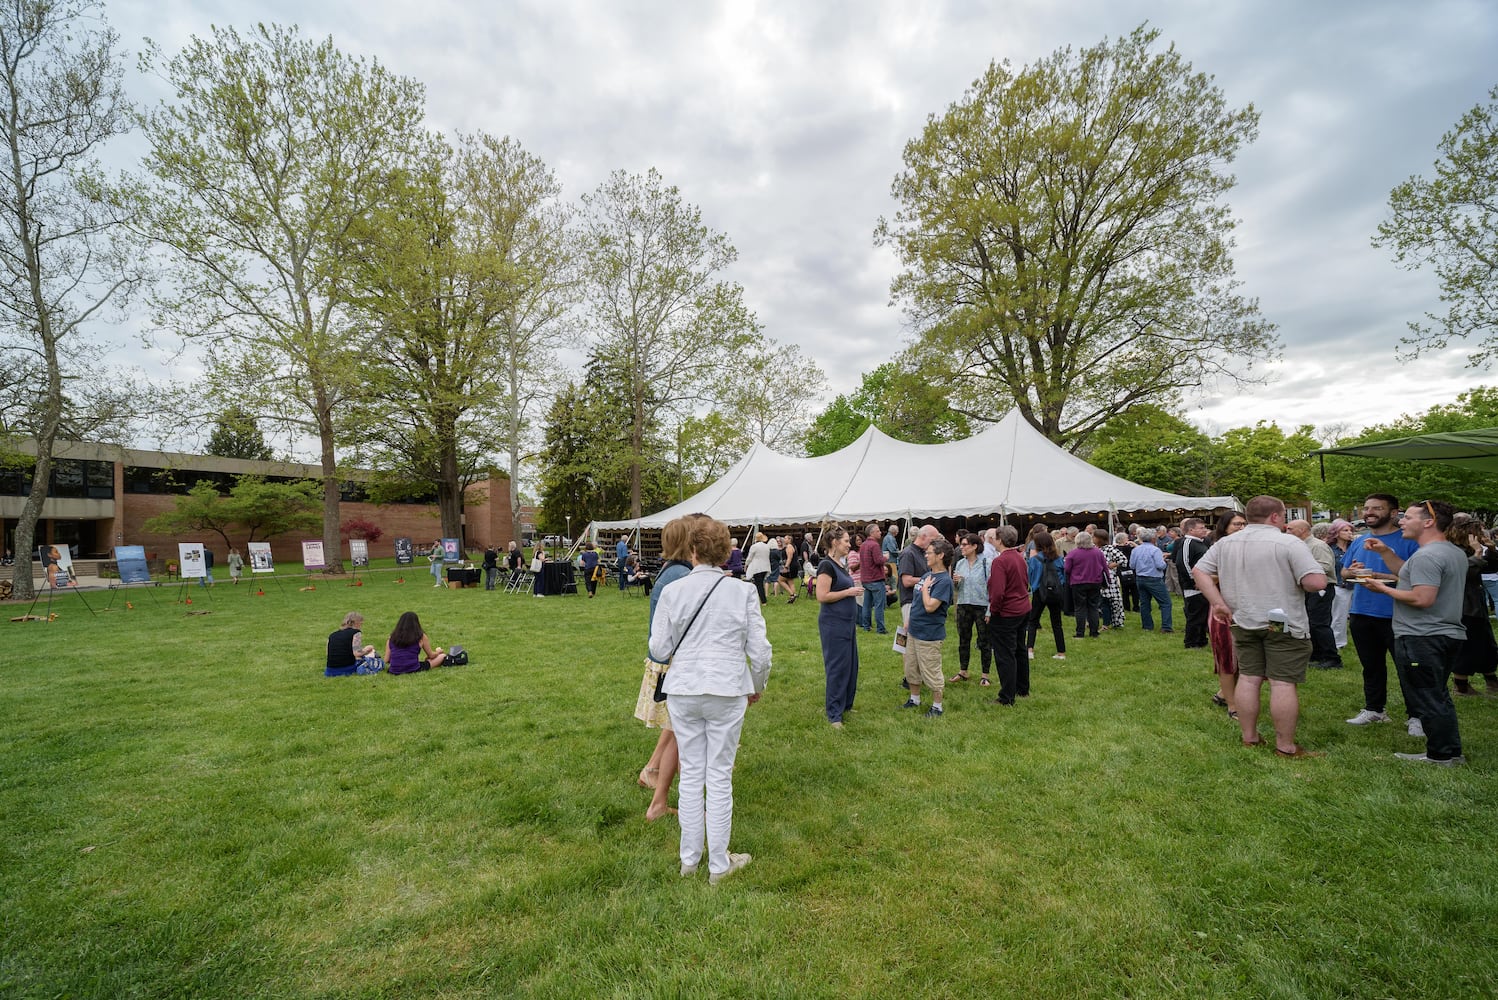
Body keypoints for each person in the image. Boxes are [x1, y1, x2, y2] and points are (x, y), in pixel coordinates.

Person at [650, 516, 771, 884]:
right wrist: (756, 684)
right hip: (726, 688)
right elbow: (761, 652)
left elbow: (658, 648)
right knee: (717, 775)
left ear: (692, 551)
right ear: (726, 552)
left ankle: (691, 861)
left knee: (693, 776)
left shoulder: (675, 591)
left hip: (685, 689)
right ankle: (717, 864)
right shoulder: (743, 592)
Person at [1192, 495, 1327, 757]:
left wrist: (1217, 602)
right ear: (1275, 516)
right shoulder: (1288, 542)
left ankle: (1250, 737)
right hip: (1280, 620)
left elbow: (1199, 572)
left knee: (1250, 679)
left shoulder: (1227, 543)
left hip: (1242, 618)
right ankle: (1286, 747)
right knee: (1282, 682)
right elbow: (1316, 583)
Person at [1364, 500, 1468, 765]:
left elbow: (1422, 598)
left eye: (1408, 517)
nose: (1401, 522)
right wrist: (1386, 552)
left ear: (1428, 522)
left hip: (1423, 637)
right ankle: (1449, 752)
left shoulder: (1428, 555)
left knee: (1428, 697)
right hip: (1444, 634)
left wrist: (1383, 589)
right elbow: (1409, 574)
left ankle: (1441, 756)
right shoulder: (1449, 551)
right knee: (1437, 694)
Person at [636, 515, 699, 821]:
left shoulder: (673, 571)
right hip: (673, 665)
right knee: (680, 731)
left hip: (668, 663)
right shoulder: (679, 576)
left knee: (675, 729)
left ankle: (652, 771)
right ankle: (659, 802)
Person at [1343, 494, 1422, 733]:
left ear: (1393, 513)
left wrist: (1380, 578)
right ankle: (1375, 709)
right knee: (1371, 666)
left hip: (1397, 614)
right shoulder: (1359, 541)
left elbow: (1417, 578)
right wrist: (1353, 571)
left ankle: (1416, 716)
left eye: (1377, 508)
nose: (1369, 512)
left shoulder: (1409, 541)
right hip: (1361, 611)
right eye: (1366, 508)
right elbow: (1345, 573)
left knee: (1407, 667)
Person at [1444, 518, 1498, 697]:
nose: (1482, 535)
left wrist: (1490, 549)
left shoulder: (1468, 549)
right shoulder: (1452, 550)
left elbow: (1490, 568)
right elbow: (1464, 571)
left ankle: (1491, 681)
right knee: (1467, 646)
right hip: (1463, 605)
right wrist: (1477, 553)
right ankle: (1461, 685)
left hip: (1476, 603)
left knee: (1487, 644)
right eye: (1478, 531)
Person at [901, 536, 954, 717]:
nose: (926, 556)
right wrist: (909, 620)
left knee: (931, 670)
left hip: (929, 634)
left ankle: (937, 707)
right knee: (911, 668)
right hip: (914, 630)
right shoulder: (927, 575)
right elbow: (917, 602)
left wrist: (924, 590)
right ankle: (914, 699)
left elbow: (931, 606)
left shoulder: (944, 581)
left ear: (940, 556)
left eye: (929, 553)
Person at [815, 526, 861, 727]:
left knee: (851, 665)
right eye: (846, 541)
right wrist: (848, 592)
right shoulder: (826, 566)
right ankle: (834, 714)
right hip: (834, 624)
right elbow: (822, 596)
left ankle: (845, 705)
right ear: (834, 542)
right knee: (837, 667)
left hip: (847, 623)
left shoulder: (841, 565)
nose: (849, 545)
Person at [1206, 511, 1246, 717]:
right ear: (1225, 527)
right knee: (1227, 658)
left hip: (1247, 608)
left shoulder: (1249, 547)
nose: (1241, 528)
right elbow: (1203, 577)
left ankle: (1224, 694)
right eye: (1236, 524)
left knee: (1245, 658)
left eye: (1243, 524)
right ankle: (1233, 706)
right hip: (1223, 610)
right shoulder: (1218, 548)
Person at [987, 525, 1031, 706]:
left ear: (1000, 540)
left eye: (994, 538)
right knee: (1020, 650)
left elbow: (997, 592)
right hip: (1022, 608)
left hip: (1007, 612)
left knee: (1005, 654)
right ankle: (1022, 688)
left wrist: (994, 611)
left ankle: (1007, 696)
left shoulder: (1000, 561)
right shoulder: (1019, 557)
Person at [1287, 519, 1341, 669]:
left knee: (1319, 623)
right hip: (1309, 589)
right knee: (1311, 622)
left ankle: (1332, 658)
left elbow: (1326, 566)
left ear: (1303, 530)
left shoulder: (1317, 546)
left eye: (1291, 529)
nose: (1287, 532)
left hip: (1321, 589)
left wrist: (1301, 571)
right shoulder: (1300, 546)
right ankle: (1317, 655)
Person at [949, 532, 993, 684]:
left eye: (964, 544)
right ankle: (963, 671)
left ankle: (985, 675)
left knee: (984, 640)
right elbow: (957, 588)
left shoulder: (986, 563)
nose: (961, 547)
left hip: (981, 606)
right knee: (963, 639)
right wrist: (956, 581)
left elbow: (992, 588)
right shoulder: (960, 563)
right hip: (963, 604)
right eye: (961, 544)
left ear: (975, 546)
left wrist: (989, 610)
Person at [1027, 531, 1068, 660]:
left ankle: (1030, 650)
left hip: (1039, 591)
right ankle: (1061, 652)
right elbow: (1064, 576)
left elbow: (1031, 577)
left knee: (1033, 621)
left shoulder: (1034, 560)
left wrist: (1034, 589)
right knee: (1057, 623)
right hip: (1055, 592)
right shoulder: (1060, 559)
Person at [1063, 529, 1106, 641]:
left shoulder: (1072, 553)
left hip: (1078, 583)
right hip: (1095, 582)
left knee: (1080, 608)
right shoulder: (1098, 552)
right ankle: (1094, 632)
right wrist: (1108, 581)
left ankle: (1080, 633)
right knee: (1093, 607)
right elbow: (1104, 567)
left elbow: (1067, 569)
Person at [1175, 518, 1211, 649]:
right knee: (1195, 616)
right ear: (1191, 530)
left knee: (1203, 614)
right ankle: (1191, 642)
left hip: (1204, 585)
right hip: (1193, 586)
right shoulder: (1187, 542)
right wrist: (1194, 580)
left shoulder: (1201, 543)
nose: (1204, 530)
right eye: (1201, 528)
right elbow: (1182, 563)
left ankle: (1201, 639)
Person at [1129, 529, 1173, 632]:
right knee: (1166, 603)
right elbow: (1160, 565)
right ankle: (1166, 627)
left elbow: (1132, 565)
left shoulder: (1136, 550)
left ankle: (1147, 626)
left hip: (1140, 578)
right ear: (1153, 538)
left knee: (1144, 603)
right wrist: (1164, 562)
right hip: (1154, 578)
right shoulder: (1155, 550)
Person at [1325, 519, 1356, 650]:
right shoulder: (1330, 549)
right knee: (1339, 616)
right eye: (1345, 530)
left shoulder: (1353, 547)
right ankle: (1338, 643)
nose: (1349, 533)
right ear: (1336, 533)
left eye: (1350, 530)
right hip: (1339, 586)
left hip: (1357, 585)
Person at [856, 522, 889, 633]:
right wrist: (885, 558)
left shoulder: (863, 545)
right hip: (875, 578)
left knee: (867, 604)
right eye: (878, 530)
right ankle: (880, 629)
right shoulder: (874, 545)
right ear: (872, 533)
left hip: (865, 578)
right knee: (879, 605)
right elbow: (878, 560)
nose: (880, 532)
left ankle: (866, 626)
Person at [326, 611, 379, 677]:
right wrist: (367, 649)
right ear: (356, 623)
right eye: (361, 624)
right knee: (377, 661)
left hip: (330, 670)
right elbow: (357, 653)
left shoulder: (332, 635)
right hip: (347, 669)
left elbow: (328, 653)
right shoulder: (356, 633)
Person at [744, 533, 772, 605]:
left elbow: (750, 557)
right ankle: (760, 599)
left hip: (757, 567)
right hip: (765, 567)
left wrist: (746, 564)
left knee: (759, 584)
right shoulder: (767, 546)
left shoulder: (754, 547)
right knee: (759, 583)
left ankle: (763, 601)